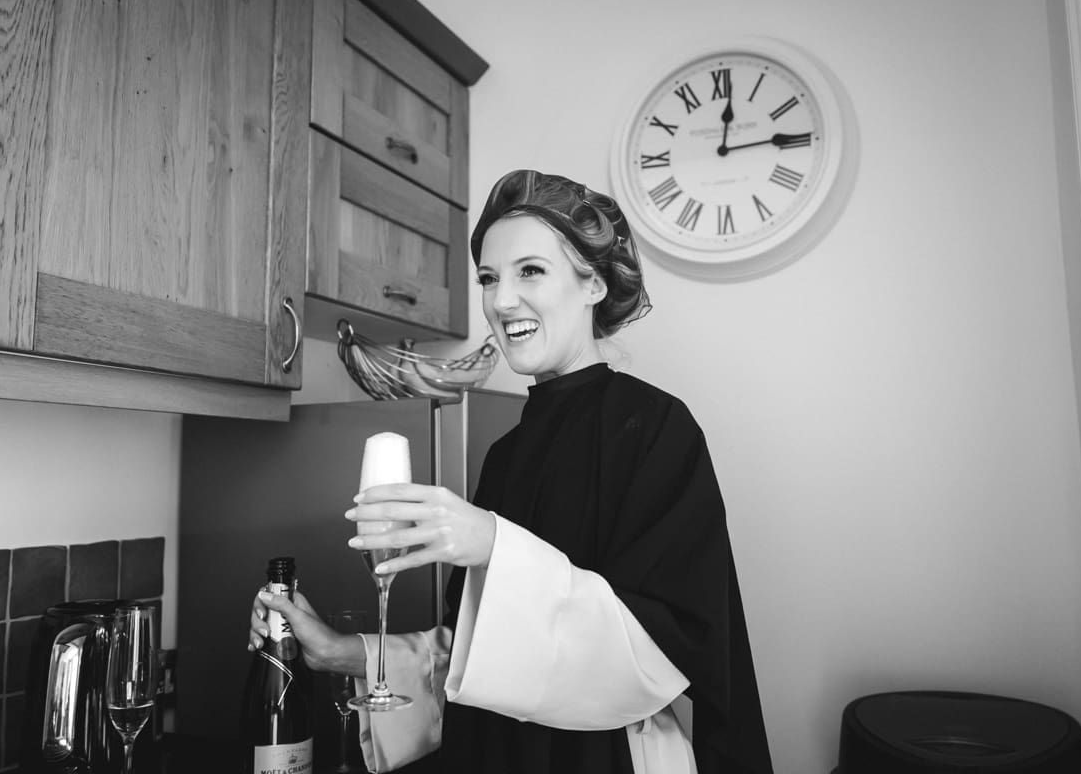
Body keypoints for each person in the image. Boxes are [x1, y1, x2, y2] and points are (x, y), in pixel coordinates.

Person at [249, 170, 773, 774]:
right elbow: (478, 653)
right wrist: (339, 652)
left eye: (530, 271)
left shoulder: (656, 428)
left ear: (594, 283)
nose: (500, 302)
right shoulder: (506, 451)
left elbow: (662, 656)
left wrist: (494, 542)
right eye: (489, 278)